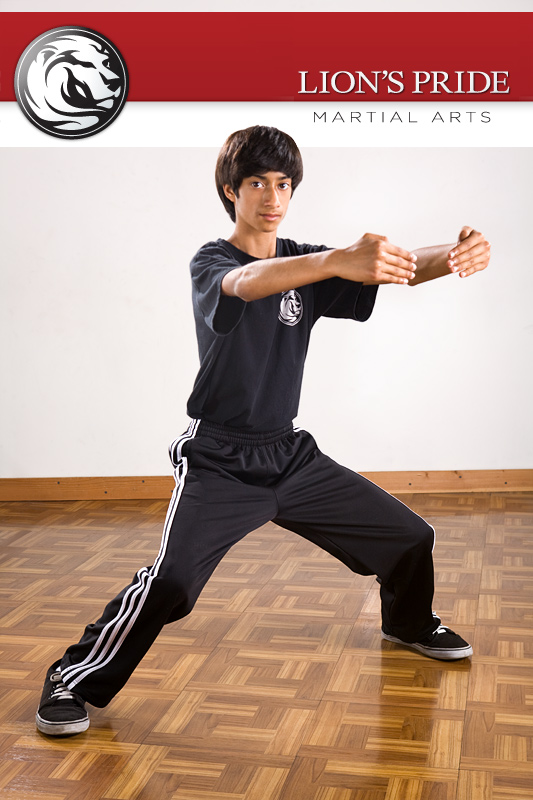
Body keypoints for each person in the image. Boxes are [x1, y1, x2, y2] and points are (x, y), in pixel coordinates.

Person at [36, 125, 491, 736]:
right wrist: (334, 260)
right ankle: (70, 679)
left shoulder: (307, 259)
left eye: (283, 184)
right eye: (257, 183)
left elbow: (396, 266)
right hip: (220, 458)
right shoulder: (213, 261)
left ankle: (409, 623)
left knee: (411, 536)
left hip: (289, 454)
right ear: (231, 190)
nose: (272, 197)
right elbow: (247, 284)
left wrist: (452, 254)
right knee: (170, 582)